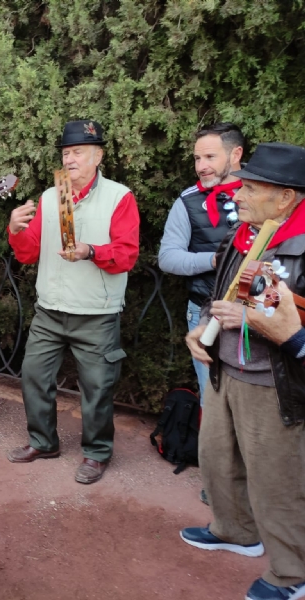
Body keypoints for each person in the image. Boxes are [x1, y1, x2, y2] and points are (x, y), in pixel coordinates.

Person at [183, 142, 305, 600]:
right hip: (224, 370)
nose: (238, 194)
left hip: (273, 384)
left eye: (251, 187)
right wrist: (201, 331)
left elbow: (278, 319)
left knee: (277, 480)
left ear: (286, 196)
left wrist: (255, 318)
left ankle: (293, 574)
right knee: (217, 461)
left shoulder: (299, 242)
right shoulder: (249, 233)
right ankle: (235, 531)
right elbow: (225, 297)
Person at [6, 120, 140, 484]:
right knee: (33, 377)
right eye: (66, 153)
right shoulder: (53, 196)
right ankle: (43, 442)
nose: (70, 159)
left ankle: (97, 453)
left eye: (78, 152)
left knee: (97, 388)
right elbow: (28, 254)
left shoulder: (119, 196)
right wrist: (15, 230)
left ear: (98, 156)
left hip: (96, 314)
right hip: (50, 309)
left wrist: (90, 251)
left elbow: (127, 255)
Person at [159, 123, 244, 400]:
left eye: (210, 157)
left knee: (257, 406)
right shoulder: (188, 201)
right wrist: (215, 260)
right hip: (204, 313)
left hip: (256, 318)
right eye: (197, 158)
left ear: (235, 154)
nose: (201, 166)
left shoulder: (263, 194)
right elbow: (168, 258)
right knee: (213, 400)